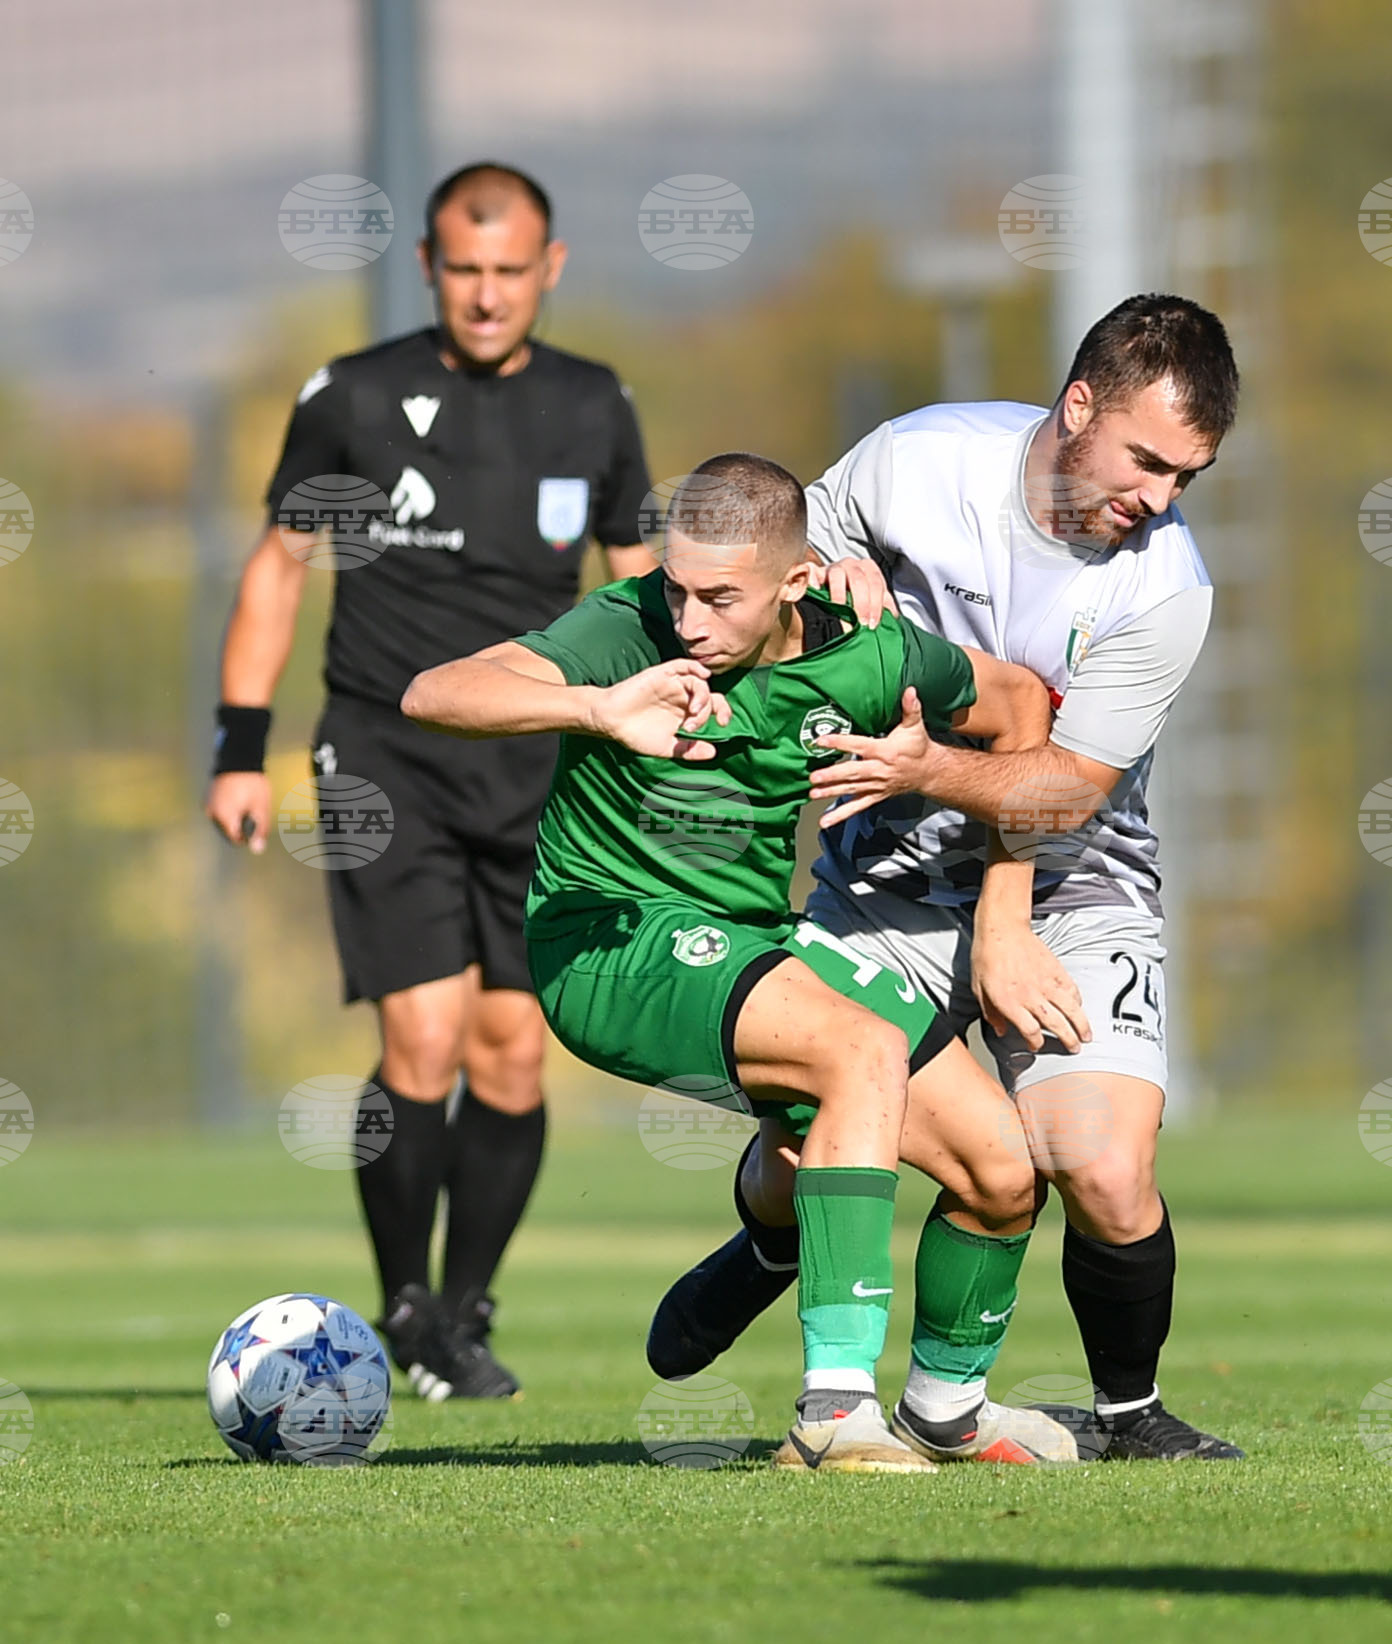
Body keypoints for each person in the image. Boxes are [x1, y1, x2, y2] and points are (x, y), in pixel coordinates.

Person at [649, 294, 1246, 1461]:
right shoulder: (918, 462)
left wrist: (997, 903)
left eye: (1190, 476)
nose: (1161, 499)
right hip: (891, 873)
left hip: (1081, 878)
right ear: (1078, 406)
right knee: (803, 1148)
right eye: (1147, 460)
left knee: (1102, 1162)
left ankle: (1129, 1415)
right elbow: (775, 553)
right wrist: (829, 566)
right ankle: (772, 1237)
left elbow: (1066, 789)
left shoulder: (1167, 586)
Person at [401, 452, 1077, 1470]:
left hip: (751, 950)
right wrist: (596, 707)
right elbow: (435, 693)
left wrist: (1003, 907)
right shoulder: (622, 628)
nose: (687, 621)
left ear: (796, 582)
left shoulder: (866, 655)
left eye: (720, 597)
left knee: (1002, 1168)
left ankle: (940, 1404)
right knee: (858, 1052)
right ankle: (835, 1414)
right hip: (606, 943)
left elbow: (1021, 703)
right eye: (677, 586)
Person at [204, 162, 653, 1399]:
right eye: (466, 269)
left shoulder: (596, 405)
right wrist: (240, 751)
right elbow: (277, 572)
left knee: (513, 1050)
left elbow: (647, 588)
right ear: (427, 267)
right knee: (425, 1033)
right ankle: (403, 1301)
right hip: (384, 750)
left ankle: (464, 1312)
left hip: (537, 761)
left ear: (549, 270)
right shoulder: (352, 396)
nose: (489, 294)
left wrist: (666, 726)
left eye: (513, 271)